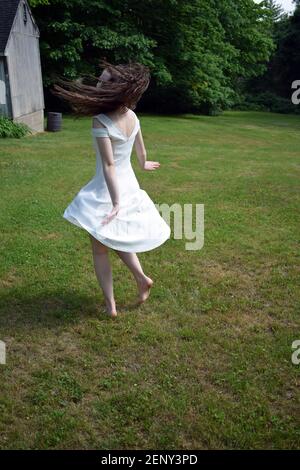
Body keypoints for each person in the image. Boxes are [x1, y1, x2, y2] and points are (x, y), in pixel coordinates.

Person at [51, 59, 171, 318]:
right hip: (128, 185)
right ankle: (141, 279)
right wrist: (143, 163)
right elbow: (140, 149)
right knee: (115, 237)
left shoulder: (101, 121)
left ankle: (111, 306)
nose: (98, 84)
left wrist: (115, 202)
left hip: (108, 189)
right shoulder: (133, 116)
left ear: (116, 88)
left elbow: (108, 165)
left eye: (103, 81)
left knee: (100, 247)